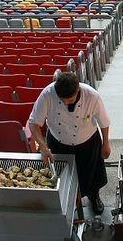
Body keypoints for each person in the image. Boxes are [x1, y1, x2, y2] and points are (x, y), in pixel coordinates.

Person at [28, 72, 111, 214]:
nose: (66, 103)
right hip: (58, 142)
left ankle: (94, 197)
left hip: (88, 142)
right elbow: (33, 123)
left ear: (78, 89)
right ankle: (66, 202)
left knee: (92, 174)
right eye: (63, 100)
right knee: (63, 176)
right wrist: (43, 147)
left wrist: (106, 143)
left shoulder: (92, 96)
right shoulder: (47, 94)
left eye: (70, 100)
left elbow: (104, 122)